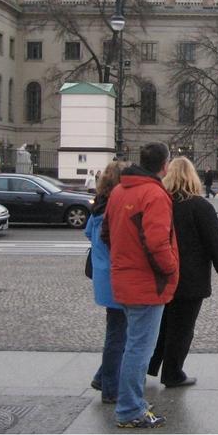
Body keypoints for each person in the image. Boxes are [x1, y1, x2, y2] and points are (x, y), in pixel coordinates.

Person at [103, 141, 178, 428]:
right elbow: (158, 241)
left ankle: (132, 401)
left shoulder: (120, 190)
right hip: (147, 282)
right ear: (164, 165)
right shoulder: (154, 194)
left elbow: (107, 233)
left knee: (131, 345)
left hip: (124, 277)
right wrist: (170, 269)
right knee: (139, 349)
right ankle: (129, 409)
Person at [147, 157, 218, 388]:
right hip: (191, 277)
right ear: (192, 177)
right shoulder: (199, 206)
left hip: (161, 274)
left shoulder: (159, 201)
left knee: (161, 325)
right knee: (182, 329)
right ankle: (173, 373)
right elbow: (215, 241)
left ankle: (151, 365)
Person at [86, 162, 128, 404]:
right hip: (116, 277)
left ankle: (103, 377)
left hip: (102, 276)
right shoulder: (115, 208)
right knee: (118, 336)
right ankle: (110, 388)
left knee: (117, 332)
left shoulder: (99, 204)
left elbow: (87, 234)